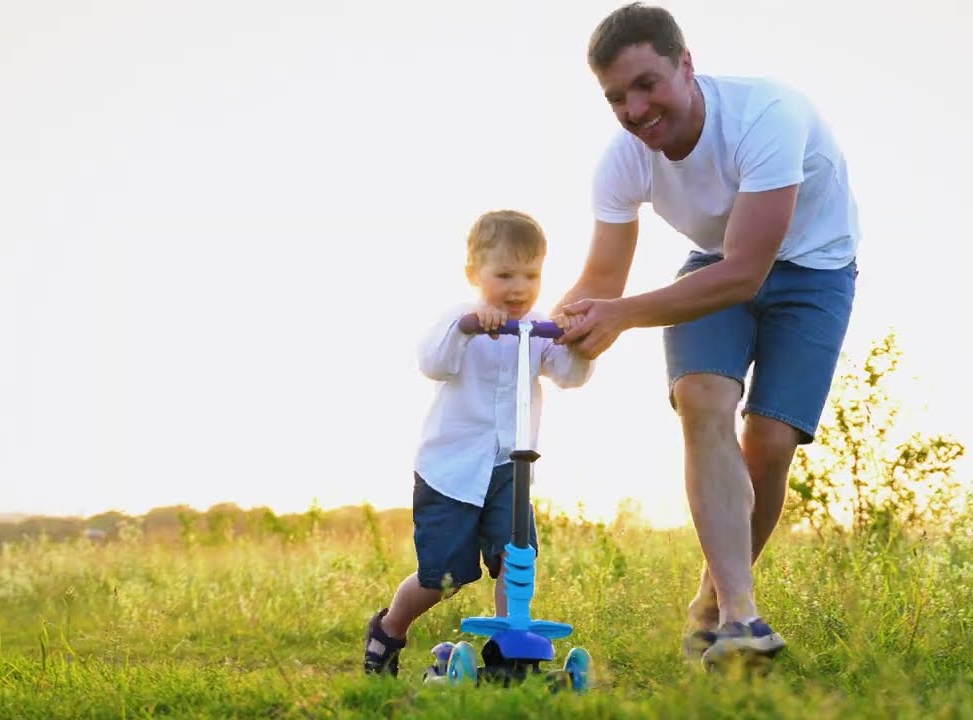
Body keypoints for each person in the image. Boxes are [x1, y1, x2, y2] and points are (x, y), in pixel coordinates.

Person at [552, 2, 861, 665]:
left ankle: (712, 600)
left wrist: (623, 315)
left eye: (646, 85)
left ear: (686, 65)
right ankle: (741, 619)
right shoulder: (622, 161)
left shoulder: (766, 116)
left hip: (814, 271)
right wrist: (551, 324)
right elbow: (602, 280)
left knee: (771, 440)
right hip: (714, 265)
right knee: (701, 401)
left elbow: (746, 274)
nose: (635, 110)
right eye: (616, 98)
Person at [363, 209, 595, 676]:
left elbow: (569, 375)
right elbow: (433, 361)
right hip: (450, 471)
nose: (518, 287)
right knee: (442, 579)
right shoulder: (458, 321)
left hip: (511, 467)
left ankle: (508, 651)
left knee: (516, 559)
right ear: (474, 273)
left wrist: (581, 342)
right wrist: (470, 327)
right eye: (504, 274)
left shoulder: (536, 326)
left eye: (530, 275)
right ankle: (388, 629)